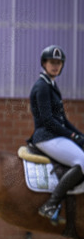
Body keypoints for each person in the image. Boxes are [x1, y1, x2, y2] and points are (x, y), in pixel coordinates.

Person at [30, 45, 84, 221]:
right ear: (44, 64)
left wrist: (79, 136)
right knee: (82, 161)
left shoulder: (51, 85)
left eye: (59, 63)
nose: (55, 66)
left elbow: (63, 121)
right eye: (52, 62)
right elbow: (48, 121)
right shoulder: (42, 86)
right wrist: (71, 136)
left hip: (55, 135)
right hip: (46, 136)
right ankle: (50, 204)